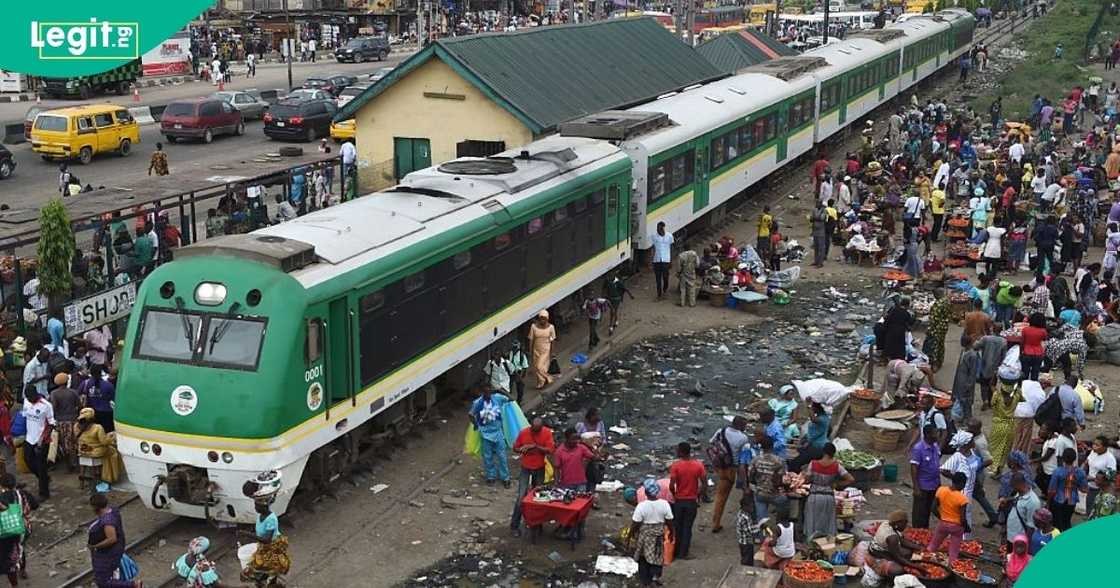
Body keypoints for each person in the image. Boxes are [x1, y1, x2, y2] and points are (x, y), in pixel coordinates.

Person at [509, 416, 554, 537]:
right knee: (521, 497)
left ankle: (536, 524)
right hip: (526, 468)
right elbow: (515, 448)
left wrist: (535, 446)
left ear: (541, 427)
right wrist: (521, 449)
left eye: (537, 430)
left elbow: (550, 450)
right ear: (531, 426)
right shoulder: (524, 433)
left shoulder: (547, 433)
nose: (535, 431)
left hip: (539, 468)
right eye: (534, 429)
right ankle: (514, 526)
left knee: (538, 497)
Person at [627, 478, 673, 587]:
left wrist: (630, 536)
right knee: (657, 557)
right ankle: (655, 576)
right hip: (658, 536)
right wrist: (672, 533)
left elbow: (635, 523)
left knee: (643, 558)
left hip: (644, 536)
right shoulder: (664, 504)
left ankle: (645, 581)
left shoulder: (641, 506)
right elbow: (670, 521)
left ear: (646, 492)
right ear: (657, 491)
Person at [802, 442, 853, 538]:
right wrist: (836, 484)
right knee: (827, 524)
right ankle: (827, 545)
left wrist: (807, 477)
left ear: (823, 452)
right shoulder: (837, 466)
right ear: (833, 453)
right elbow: (850, 479)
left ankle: (811, 543)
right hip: (829, 498)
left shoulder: (813, 464)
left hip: (814, 497)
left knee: (811, 523)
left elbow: (807, 480)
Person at [87, 492, 139, 588]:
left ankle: (133, 585)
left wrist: (95, 546)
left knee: (103, 581)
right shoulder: (113, 511)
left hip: (109, 553)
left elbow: (112, 539)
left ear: (95, 507)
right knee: (111, 574)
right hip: (115, 549)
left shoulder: (107, 521)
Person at [709, 416, 750, 533]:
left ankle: (716, 522)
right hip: (732, 468)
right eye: (744, 425)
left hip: (720, 466)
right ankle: (718, 523)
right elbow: (744, 457)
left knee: (721, 495)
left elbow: (711, 442)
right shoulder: (743, 438)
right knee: (727, 496)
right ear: (740, 425)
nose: (746, 427)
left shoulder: (721, 431)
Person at [668, 442, 706, 559]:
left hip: (679, 500)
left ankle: (674, 550)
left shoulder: (676, 466)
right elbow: (704, 483)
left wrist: (675, 495)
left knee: (677, 526)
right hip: (691, 501)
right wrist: (698, 495)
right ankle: (683, 553)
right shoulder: (698, 465)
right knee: (687, 527)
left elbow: (671, 485)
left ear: (681, 452)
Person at [863, 510, 922, 586]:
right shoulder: (892, 538)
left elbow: (902, 541)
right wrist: (917, 567)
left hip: (880, 549)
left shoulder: (888, 524)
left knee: (908, 552)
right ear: (898, 523)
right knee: (899, 570)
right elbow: (898, 558)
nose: (906, 525)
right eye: (905, 523)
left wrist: (919, 547)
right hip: (877, 556)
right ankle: (891, 581)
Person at [468, 388, 511, 487]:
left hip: (498, 432)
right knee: (487, 457)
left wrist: (502, 391)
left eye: (489, 393)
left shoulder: (498, 398)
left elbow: (511, 399)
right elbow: (470, 414)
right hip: (485, 434)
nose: (488, 395)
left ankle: (505, 477)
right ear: (482, 393)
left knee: (502, 456)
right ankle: (491, 476)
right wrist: (475, 424)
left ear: (492, 392)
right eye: (485, 393)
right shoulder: (478, 402)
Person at [928, 472, 970, 562]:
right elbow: (963, 518)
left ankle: (925, 560)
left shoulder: (941, 490)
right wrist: (966, 527)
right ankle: (951, 567)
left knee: (933, 545)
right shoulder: (962, 498)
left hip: (943, 523)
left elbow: (933, 508)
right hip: (956, 526)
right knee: (953, 551)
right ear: (962, 483)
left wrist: (942, 517)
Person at [22, 386, 54, 500]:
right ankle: (44, 477)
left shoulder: (46, 405)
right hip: (29, 438)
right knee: (27, 460)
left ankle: (44, 493)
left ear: (35, 395)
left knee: (41, 466)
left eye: (31, 398)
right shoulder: (26, 402)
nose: (29, 400)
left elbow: (51, 424)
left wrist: (42, 439)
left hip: (42, 440)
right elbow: (25, 417)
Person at [77, 408, 124, 484]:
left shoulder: (76, 426)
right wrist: (111, 437)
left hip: (82, 450)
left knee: (107, 449)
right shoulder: (97, 427)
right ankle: (109, 477)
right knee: (113, 452)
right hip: (95, 451)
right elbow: (104, 442)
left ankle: (82, 478)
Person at [966, 420, 999, 527]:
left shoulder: (980, 443)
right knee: (977, 495)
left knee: (975, 495)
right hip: (974, 473)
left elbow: (989, 460)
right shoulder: (976, 437)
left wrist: (974, 468)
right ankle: (993, 516)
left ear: (977, 429)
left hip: (976, 474)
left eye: (971, 428)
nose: (968, 430)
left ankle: (993, 516)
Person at [910, 424, 943, 528]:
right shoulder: (918, 449)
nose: (938, 435)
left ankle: (925, 530)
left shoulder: (935, 445)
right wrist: (916, 487)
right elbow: (914, 468)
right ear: (928, 435)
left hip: (935, 484)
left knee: (929, 510)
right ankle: (917, 532)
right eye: (935, 433)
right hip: (923, 486)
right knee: (920, 512)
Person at [749, 433, 787, 521]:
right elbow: (779, 481)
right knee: (785, 504)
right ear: (772, 446)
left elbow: (751, 477)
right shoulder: (779, 461)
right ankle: (781, 524)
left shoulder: (756, 460)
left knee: (762, 521)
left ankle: (763, 529)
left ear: (761, 446)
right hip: (775, 494)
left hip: (760, 493)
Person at [1047, 447, 1087, 531]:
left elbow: (1052, 490)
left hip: (1058, 500)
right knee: (1067, 520)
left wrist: (1048, 502)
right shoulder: (1080, 472)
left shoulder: (1057, 471)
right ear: (1074, 458)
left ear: (1063, 458)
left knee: (1057, 522)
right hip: (1071, 501)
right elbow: (1084, 489)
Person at [1032, 418, 1076, 493]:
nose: (1040, 431)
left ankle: (1049, 497)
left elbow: (1046, 457)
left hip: (1051, 470)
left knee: (1049, 487)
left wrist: (1031, 461)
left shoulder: (1055, 442)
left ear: (1050, 431)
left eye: (1043, 429)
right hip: (1047, 468)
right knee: (1039, 481)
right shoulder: (1051, 438)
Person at [48, 373, 80, 470]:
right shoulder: (73, 392)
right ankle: (75, 463)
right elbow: (79, 405)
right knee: (73, 443)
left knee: (63, 444)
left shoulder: (54, 394)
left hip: (60, 421)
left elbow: (53, 408)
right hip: (73, 420)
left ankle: (67, 464)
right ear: (67, 382)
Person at [1002, 472, 1041, 548]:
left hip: (1019, 542)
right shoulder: (1020, 492)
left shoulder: (1033, 502)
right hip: (1011, 536)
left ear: (1018, 484)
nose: (1011, 487)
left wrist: (1026, 546)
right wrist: (1007, 500)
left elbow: (1031, 526)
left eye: (1012, 485)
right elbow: (1018, 500)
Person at [1085, 436, 1117, 516]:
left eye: (1097, 445)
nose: (1094, 447)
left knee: (1099, 512)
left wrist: (1093, 478)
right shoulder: (1093, 452)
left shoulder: (1110, 459)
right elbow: (1087, 461)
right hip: (1090, 486)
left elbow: (1111, 476)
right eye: (1094, 444)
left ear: (1105, 447)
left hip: (1099, 489)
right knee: (1090, 509)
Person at [79, 365, 116, 434]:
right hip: (106, 413)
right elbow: (113, 398)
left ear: (90, 372)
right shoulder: (108, 385)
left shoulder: (85, 383)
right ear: (101, 372)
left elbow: (79, 395)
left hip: (90, 414)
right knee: (106, 434)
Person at [952, 336, 981, 423]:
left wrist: (968, 386)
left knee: (966, 402)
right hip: (959, 380)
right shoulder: (963, 351)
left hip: (966, 383)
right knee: (960, 399)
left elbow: (972, 373)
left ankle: (968, 420)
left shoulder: (973, 355)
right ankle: (962, 417)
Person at [976, 334, 1007, 411]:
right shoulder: (1003, 341)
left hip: (984, 366)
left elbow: (975, 346)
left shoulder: (985, 338)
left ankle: (985, 400)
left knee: (983, 385)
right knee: (992, 385)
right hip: (995, 368)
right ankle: (990, 402)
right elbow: (1004, 357)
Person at [527, 310, 555, 390]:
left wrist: (552, 352)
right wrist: (530, 350)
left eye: (544, 319)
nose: (542, 320)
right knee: (537, 367)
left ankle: (548, 378)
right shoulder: (533, 327)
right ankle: (541, 382)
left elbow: (552, 340)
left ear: (547, 319)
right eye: (541, 318)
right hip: (536, 349)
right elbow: (531, 339)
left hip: (546, 350)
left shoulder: (551, 327)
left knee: (540, 367)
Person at [923, 291, 951, 369]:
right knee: (941, 344)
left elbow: (934, 319)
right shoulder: (947, 301)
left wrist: (929, 329)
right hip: (944, 327)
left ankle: (934, 364)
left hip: (937, 328)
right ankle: (940, 361)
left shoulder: (937, 305)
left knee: (934, 345)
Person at [651, 222, 673, 299]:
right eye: (657, 228)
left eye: (660, 228)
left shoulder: (669, 236)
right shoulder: (654, 236)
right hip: (657, 260)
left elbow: (671, 248)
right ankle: (659, 294)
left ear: (663, 228)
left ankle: (665, 288)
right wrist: (651, 261)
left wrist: (671, 260)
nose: (658, 230)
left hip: (666, 260)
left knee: (665, 277)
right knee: (658, 278)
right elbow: (653, 248)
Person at [735, 492, 756, 566]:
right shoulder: (745, 517)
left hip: (741, 541)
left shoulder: (740, 513)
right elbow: (750, 531)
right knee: (747, 559)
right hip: (747, 542)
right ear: (744, 506)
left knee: (744, 557)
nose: (752, 508)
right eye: (750, 507)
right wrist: (759, 528)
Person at [810, 201, 828, 267]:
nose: (816, 204)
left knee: (821, 248)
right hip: (815, 230)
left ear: (821, 204)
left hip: (821, 231)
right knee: (816, 247)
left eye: (818, 203)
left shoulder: (824, 210)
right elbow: (811, 219)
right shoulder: (814, 210)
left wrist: (815, 218)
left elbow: (822, 218)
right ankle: (816, 261)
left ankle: (820, 263)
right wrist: (816, 218)